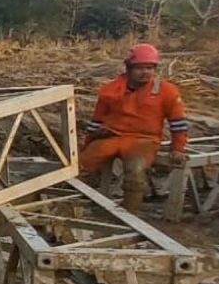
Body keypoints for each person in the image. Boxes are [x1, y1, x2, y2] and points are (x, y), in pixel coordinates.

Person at [80, 43, 189, 214]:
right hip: (112, 136)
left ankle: (129, 213)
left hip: (144, 140)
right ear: (129, 68)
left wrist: (178, 148)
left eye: (149, 68)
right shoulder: (110, 89)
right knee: (81, 165)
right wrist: (88, 144)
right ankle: (78, 203)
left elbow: (178, 123)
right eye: (139, 68)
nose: (145, 72)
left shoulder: (167, 91)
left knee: (135, 171)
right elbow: (97, 120)